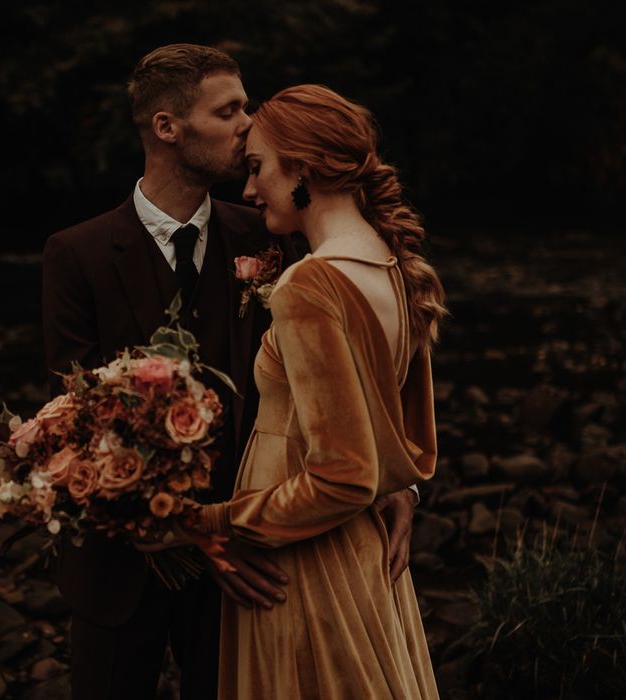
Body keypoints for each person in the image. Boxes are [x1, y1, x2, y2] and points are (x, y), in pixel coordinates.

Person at [42, 44, 418, 700]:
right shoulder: (79, 253)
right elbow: (72, 419)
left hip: (250, 562)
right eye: (230, 110)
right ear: (167, 127)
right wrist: (170, 526)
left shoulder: (273, 235)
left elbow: (359, 358)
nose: (250, 122)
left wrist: (400, 483)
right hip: (121, 564)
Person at [197, 84, 446, 699]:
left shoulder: (311, 284)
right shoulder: (392, 266)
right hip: (355, 548)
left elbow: (342, 475)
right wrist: (404, 490)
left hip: (301, 564)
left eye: (257, 168)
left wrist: (214, 522)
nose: (249, 191)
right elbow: (403, 436)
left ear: (302, 168)